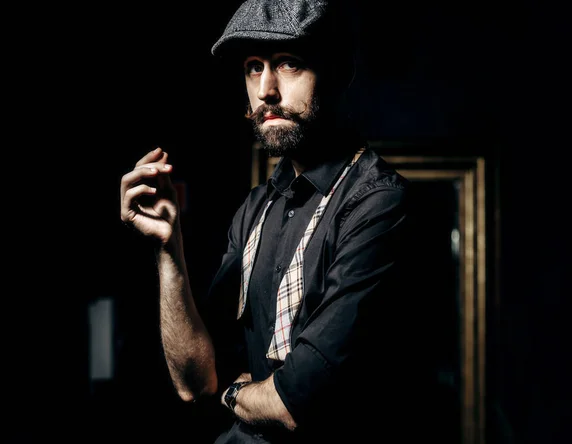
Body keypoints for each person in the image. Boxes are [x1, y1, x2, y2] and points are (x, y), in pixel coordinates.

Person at [119, 0, 427, 442]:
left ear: (339, 72)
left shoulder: (378, 204)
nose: (265, 90)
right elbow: (193, 381)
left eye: (288, 64)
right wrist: (169, 250)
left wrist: (230, 395)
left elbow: (291, 401)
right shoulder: (256, 209)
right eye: (252, 67)